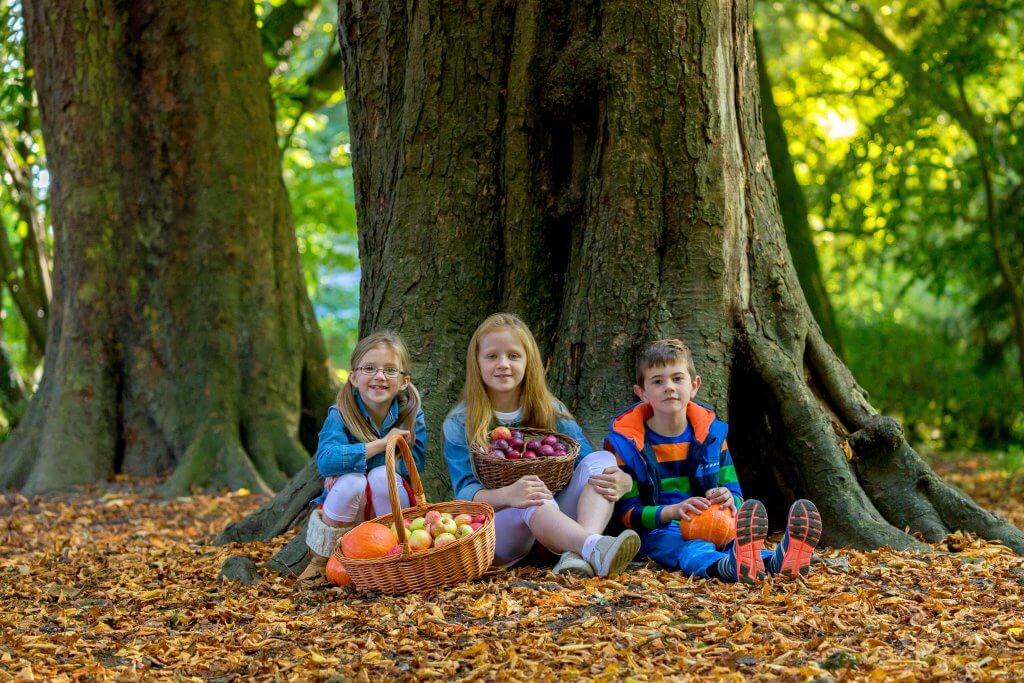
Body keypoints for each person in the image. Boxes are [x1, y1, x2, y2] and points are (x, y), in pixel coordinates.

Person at [605, 339, 822, 583]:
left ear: (694, 385)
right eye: (657, 381)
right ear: (641, 392)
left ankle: (777, 561)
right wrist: (672, 512)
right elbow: (628, 514)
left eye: (677, 378)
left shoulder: (712, 436)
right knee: (691, 548)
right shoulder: (627, 445)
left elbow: (735, 493)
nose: (669, 387)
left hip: (711, 522)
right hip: (658, 531)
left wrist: (730, 499)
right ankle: (726, 568)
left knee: (733, 539)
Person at [444, 313, 640, 577]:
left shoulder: (550, 410)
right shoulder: (461, 421)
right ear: (477, 363)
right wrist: (509, 495)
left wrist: (625, 481)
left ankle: (577, 554)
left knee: (603, 460)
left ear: (528, 362)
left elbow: (588, 464)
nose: (503, 364)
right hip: (502, 533)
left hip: (556, 528)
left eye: (513, 356)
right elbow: (464, 494)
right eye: (492, 356)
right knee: (531, 496)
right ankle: (593, 547)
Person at [297, 331, 427, 581]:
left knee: (379, 476)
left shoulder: (412, 416)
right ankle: (323, 560)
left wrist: (357, 463)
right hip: (349, 511)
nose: (379, 376)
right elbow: (325, 461)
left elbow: (412, 468)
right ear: (354, 378)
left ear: (404, 381)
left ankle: (392, 555)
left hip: (389, 511)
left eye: (390, 370)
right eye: (369, 368)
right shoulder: (340, 414)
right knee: (353, 481)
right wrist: (382, 445)